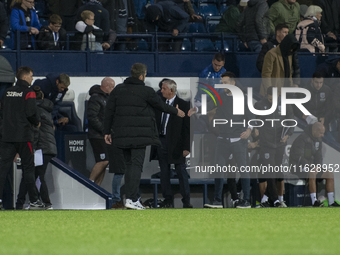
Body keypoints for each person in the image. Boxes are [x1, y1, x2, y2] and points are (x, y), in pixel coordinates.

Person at [103, 63, 185, 210]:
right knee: (135, 166)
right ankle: (132, 199)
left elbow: (109, 111)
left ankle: (132, 198)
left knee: (129, 166)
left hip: (121, 135)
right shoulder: (146, 91)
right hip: (139, 136)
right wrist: (175, 111)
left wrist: (107, 132)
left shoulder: (118, 90)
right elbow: (160, 105)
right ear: (142, 75)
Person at [196, 72, 253, 209]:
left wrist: (249, 130)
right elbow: (208, 106)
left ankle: (246, 200)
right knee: (218, 170)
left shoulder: (242, 98)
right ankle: (217, 201)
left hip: (238, 140)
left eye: (226, 82)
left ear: (233, 83)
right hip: (222, 140)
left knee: (243, 170)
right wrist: (196, 109)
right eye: (222, 82)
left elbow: (251, 116)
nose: (223, 85)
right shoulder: (219, 97)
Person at [0, 66, 44, 210]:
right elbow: (31, 112)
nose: (32, 78)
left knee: (2, 169)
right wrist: (37, 122)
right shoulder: (28, 92)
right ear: (24, 77)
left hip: (7, 137)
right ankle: (34, 201)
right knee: (28, 169)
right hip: (24, 137)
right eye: (31, 75)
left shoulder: (6, 92)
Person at [150, 79, 192, 208]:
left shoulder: (184, 105)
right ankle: (168, 201)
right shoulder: (159, 104)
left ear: (171, 90)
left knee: (181, 171)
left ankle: (186, 201)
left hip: (178, 144)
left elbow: (188, 128)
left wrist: (187, 147)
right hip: (162, 142)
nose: (161, 91)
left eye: (163, 89)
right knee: (164, 172)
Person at [16, 86, 57, 210]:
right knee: (32, 176)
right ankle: (25, 202)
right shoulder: (47, 110)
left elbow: (36, 132)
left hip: (40, 148)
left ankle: (45, 203)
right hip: (48, 147)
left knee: (36, 176)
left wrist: (31, 149)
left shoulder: (34, 111)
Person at [255, 86, 294, 208]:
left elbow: (291, 121)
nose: (272, 102)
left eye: (274, 99)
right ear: (267, 96)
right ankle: (276, 200)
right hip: (267, 143)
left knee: (276, 171)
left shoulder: (286, 105)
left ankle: (265, 199)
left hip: (280, 143)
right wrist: (256, 131)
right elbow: (255, 121)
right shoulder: (260, 105)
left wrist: (287, 135)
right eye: (270, 99)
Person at [289, 122, 340, 207]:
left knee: (329, 174)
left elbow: (319, 157)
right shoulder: (301, 139)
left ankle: (331, 202)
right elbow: (298, 157)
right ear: (314, 130)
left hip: (312, 167)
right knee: (312, 173)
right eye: (321, 133)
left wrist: (317, 166)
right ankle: (314, 202)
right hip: (298, 167)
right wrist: (312, 167)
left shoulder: (318, 140)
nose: (323, 135)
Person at [87, 77, 115, 185]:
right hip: (97, 135)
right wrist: (105, 131)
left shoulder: (107, 98)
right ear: (106, 86)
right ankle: (89, 184)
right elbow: (92, 117)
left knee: (105, 162)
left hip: (103, 136)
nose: (113, 89)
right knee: (103, 161)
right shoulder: (95, 98)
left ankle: (97, 189)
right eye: (112, 87)